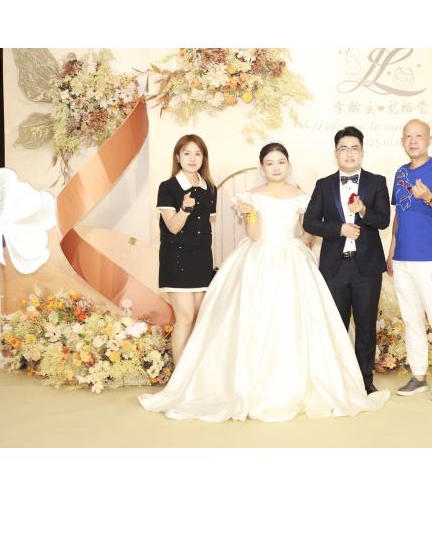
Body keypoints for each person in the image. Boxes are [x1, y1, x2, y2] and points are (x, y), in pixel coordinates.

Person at [138, 142, 389, 422]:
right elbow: (255, 235)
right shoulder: (251, 196)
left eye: (280, 162)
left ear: (288, 164)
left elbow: (310, 228)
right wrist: (251, 215)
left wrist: (299, 244)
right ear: (262, 167)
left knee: (293, 319)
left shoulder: (301, 195)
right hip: (258, 258)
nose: (276, 168)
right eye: (270, 163)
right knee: (254, 318)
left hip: (293, 258)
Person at [303, 126, 390, 394]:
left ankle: (365, 381)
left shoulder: (377, 182)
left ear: (362, 152)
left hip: (367, 268)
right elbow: (310, 222)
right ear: (336, 153)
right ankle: (338, 380)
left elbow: (383, 221)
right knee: (336, 326)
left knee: (365, 326)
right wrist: (339, 229)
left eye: (354, 148)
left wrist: (363, 211)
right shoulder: (324, 184)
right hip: (335, 267)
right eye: (343, 148)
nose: (349, 153)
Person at [386, 119, 432, 401]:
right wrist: (391, 252)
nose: (413, 141)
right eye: (408, 136)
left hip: (430, 259)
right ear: (402, 141)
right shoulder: (400, 172)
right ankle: (418, 376)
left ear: (429, 140)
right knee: (411, 320)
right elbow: (399, 216)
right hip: (403, 260)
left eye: (419, 136)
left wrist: (428, 197)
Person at [156, 134, 216, 364]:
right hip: (176, 260)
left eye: (197, 154)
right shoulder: (168, 187)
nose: (192, 158)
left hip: (202, 260)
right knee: (186, 317)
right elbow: (173, 227)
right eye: (187, 153)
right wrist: (185, 209)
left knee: (199, 318)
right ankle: (179, 376)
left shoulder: (210, 188)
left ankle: (192, 373)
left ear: (204, 158)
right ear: (177, 157)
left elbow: (205, 227)